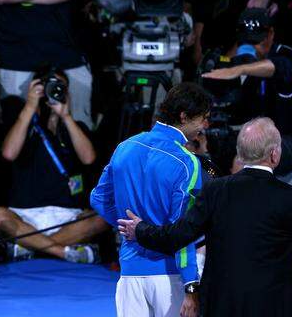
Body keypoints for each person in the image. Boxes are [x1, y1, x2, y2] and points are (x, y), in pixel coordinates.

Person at [117, 117, 292, 317]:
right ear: (275, 154)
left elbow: (176, 236)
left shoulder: (216, 190)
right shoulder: (291, 199)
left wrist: (140, 229)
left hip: (221, 307)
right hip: (273, 308)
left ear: (241, 153)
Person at [90, 82, 213, 317]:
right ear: (184, 116)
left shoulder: (125, 147)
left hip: (129, 274)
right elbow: (182, 231)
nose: (205, 126)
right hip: (169, 278)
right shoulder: (188, 163)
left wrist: (130, 228)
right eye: (203, 118)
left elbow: (98, 198)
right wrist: (191, 285)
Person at [0, 67, 107, 263]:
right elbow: (8, 153)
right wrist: (29, 107)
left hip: (68, 218)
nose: (53, 90)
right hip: (24, 216)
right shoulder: (22, 123)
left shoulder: (74, 126)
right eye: (48, 85)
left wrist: (66, 116)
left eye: (60, 86)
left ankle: (29, 247)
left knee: (103, 217)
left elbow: (88, 158)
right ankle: (62, 252)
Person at [203, 8, 292, 175]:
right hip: (264, 135)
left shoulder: (286, 56)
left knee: (245, 158)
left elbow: (275, 68)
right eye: (247, 42)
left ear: (271, 34)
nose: (254, 48)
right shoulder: (240, 60)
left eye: (258, 42)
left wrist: (239, 70)